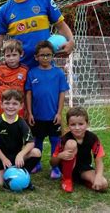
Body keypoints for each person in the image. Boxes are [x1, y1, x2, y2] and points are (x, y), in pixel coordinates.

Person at [25, 41, 70, 179]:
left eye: (48, 55)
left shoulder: (58, 73)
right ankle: (36, 163)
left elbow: (62, 93)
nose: (45, 58)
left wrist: (59, 113)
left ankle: (55, 167)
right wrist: (30, 113)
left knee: (55, 141)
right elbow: (28, 93)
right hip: (37, 116)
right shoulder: (32, 73)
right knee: (37, 140)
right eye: (42, 55)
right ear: (36, 57)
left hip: (53, 117)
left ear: (53, 56)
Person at [0, 89, 41, 189]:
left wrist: (21, 154)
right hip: (0, 159)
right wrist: (3, 158)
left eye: (15, 104)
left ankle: (24, 175)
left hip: (16, 158)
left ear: (21, 106)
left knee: (36, 152)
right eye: (7, 103)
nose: (10, 106)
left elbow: (30, 142)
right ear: (1, 104)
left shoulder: (21, 122)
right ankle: (4, 173)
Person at [50, 107, 108, 193]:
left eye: (81, 124)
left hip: (84, 169)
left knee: (103, 184)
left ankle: (84, 181)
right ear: (68, 125)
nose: (77, 128)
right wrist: (60, 156)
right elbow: (52, 163)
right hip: (69, 169)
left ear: (87, 124)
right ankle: (67, 179)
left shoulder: (93, 138)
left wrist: (98, 176)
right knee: (71, 144)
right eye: (73, 125)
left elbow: (99, 160)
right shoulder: (64, 140)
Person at [0, 39, 28, 117]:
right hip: (1, 111)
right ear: (4, 56)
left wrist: (26, 109)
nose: (11, 58)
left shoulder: (25, 71)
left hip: (18, 112)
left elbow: (27, 92)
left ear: (21, 54)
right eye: (8, 55)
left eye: (14, 55)